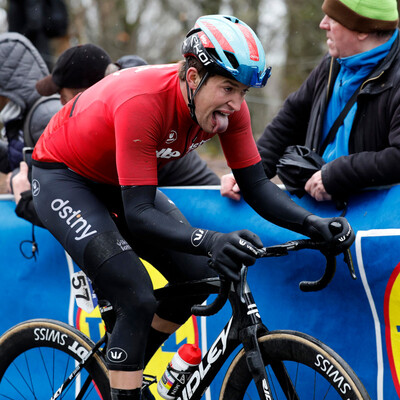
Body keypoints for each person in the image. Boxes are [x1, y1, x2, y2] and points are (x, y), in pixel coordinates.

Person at [31, 15, 354, 400]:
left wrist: (313, 223)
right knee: (136, 295)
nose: (235, 104)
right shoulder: (144, 102)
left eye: (244, 92)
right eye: (228, 87)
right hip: (63, 178)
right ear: (193, 77)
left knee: (196, 279)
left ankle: (122, 368)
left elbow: (257, 187)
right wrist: (212, 239)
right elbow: (139, 214)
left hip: (113, 179)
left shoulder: (228, 110)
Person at [11, 44, 219, 227]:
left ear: (82, 95)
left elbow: (95, 214)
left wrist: (25, 201)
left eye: (64, 98)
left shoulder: (132, 121)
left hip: (204, 212)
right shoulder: (132, 105)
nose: (64, 109)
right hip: (202, 208)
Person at [221, 0, 400, 203]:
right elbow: (292, 119)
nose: (322, 24)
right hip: (323, 209)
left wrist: (339, 175)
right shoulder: (333, 62)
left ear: (361, 31)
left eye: (333, 19)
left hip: (378, 218)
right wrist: (250, 173)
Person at [0, 32, 61, 175]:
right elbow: (17, 161)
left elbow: (58, 179)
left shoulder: (45, 116)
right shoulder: (21, 114)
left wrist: (16, 178)